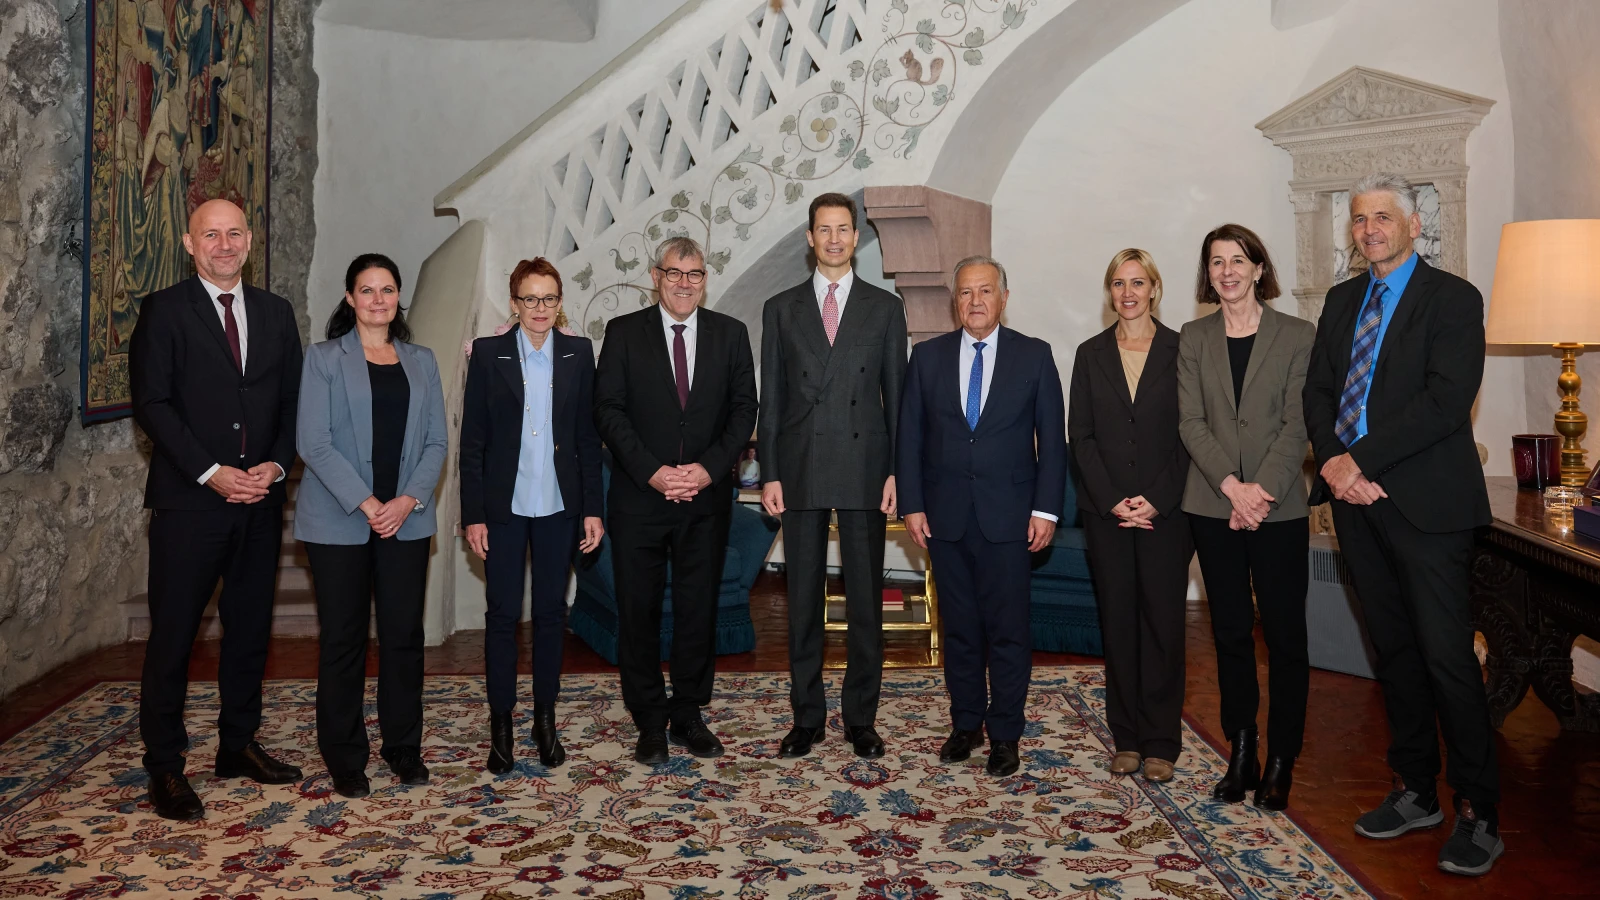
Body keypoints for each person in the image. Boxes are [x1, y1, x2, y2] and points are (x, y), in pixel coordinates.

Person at [1303, 173, 1500, 875]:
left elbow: (1446, 400)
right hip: (1356, 507)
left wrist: (1355, 459)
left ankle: (1479, 809)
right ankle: (1416, 789)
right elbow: (1320, 388)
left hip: (1427, 507)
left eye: (1383, 217)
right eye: (1360, 219)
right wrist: (1332, 463)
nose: (1370, 228)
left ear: (1414, 226)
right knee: (1392, 654)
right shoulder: (1342, 299)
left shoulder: (1454, 299)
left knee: (1448, 660)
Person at [129, 198, 304, 820]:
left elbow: (291, 402)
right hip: (190, 505)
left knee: (250, 631)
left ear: (249, 242)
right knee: (174, 638)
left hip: (259, 502)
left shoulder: (277, 314)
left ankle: (237, 745)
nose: (223, 244)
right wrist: (211, 473)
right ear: (188, 242)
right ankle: (167, 768)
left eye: (233, 233)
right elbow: (152, 404)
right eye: (211, 234)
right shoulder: (164, 311)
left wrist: (275, 467)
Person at [898, 255, 1066, 777]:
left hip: (1011, 519)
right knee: (962, 631)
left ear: (1004, 298)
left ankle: (1005, 735)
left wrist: (1046, 509)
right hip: (945, 519)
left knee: (1009, 632)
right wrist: (912, 504)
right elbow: (910, 438)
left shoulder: (1035, 357)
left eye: (985, 291)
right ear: (956, 300)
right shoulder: (926, 358)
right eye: (966, 292)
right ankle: (966, 724)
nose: (975, 301)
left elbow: (1053, 443)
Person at [594, 237, 758, 764]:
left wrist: (708, 470)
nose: (685, 282)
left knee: (697, 610)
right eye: (674, 273)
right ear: (655, 276)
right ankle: (647, 720)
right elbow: (609, 411)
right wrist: (654, 473)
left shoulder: (730, 335)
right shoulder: (623, 334)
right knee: (637, 612)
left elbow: (743, 411)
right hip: (641, 500)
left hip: (704, 502)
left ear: (704, 279)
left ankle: (688, 713)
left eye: (695, 273)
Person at [759, 193, 907, 760]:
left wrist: (898, 471)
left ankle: (861, 718)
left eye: (844, 229)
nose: (835, 239)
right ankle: (807, 716)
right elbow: (770, 401)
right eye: (825, 230)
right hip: (798, 467)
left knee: (866, 601)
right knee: (802, 601)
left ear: (856, 236)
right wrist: (769, 472)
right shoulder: (780, 308)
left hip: (867, 466)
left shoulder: (884, 308)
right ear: (810, 237)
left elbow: (899, 401)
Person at [295, 254, 448, 798]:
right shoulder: (322, 359)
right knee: (344, 640)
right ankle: (344, 755)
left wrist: (406, 500)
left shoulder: (422, 361)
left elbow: (437, 442)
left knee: (405, 637)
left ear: (398, 297)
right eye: (367, 290)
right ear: (349, 297)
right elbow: (312, 442)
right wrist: (368, 503)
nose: (378, 299)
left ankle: (404, 747)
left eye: (387, 289)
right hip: (338, 522)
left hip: (406, 521)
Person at [1177, 225, 1314, 809]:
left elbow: (1298, 422)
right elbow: (1190, 422)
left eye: (1238, 260)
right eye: (1216, 262)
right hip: (1212, 505)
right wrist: (1232, 488)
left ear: (1260, 268)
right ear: (1207, 274)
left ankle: (1282, 760)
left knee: (1285, 636)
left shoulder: (1297, 335)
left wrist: (1260, 492)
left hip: (1278, 509)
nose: (1227, 271)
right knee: (1230, 633)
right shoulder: (1193, 336)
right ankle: (1243, 750)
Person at [459, 257, 604, 773]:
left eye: (548, 299)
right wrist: (472, 513)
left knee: (549, 616)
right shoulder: (489, 354)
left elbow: (588, 438)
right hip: (502, 508)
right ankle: (501, 724)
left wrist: (593, 509)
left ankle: (545, 720)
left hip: (559, 508)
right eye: (529, 299)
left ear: (559, 302)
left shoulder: (578, 353)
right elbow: (472, 439)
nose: (539, 309)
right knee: (501, 616)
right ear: (514, 303)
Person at [1068, 249, 1192, 784]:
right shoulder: (1090, 353)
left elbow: (1193, 433)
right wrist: (1114, 498)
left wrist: (1157, 499)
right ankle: (1126, 739)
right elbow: (1082, 436)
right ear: (1109, 291)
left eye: (1138, 282)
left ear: (1155, 289)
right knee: (1118, 625)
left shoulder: (1182, 350)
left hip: (1168, 514)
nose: (1128, 292)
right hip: (1108, 514)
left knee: (1163, 626)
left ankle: (1162, 742)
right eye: (1118, 283)